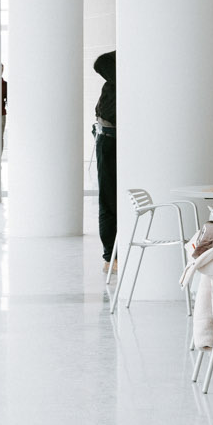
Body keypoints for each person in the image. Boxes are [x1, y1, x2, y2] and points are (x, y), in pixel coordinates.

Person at [92, 51, 116, 272]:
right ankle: (110, 257)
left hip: (117, 137)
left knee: (114, 199)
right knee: (109, 199)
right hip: (109, 138)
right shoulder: (115, 62)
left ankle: (114, 254)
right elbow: (100, 62)